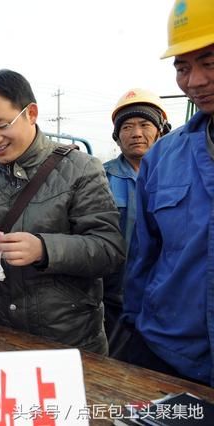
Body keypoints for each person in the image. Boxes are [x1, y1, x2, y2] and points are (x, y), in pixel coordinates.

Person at [0, 69, 124, 355]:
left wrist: (44, 248)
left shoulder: (81, 169)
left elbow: (109, 249)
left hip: (69, 340)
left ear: (31, 113)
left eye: (2, 125)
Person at [121, 0, 214, 385]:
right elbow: (145, 254)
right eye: (182, 67)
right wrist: (136, 327)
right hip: (171, 351)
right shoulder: (165, 156)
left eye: (208, 62)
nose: (194, 81)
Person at [102, 88, 170, 353]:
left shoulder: (177, 176)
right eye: (127, 126)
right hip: (110, 295)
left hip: (163, 297)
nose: (136, 133)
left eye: (145, 124)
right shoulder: (99, 177)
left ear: (161, 130)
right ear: (117, 137)